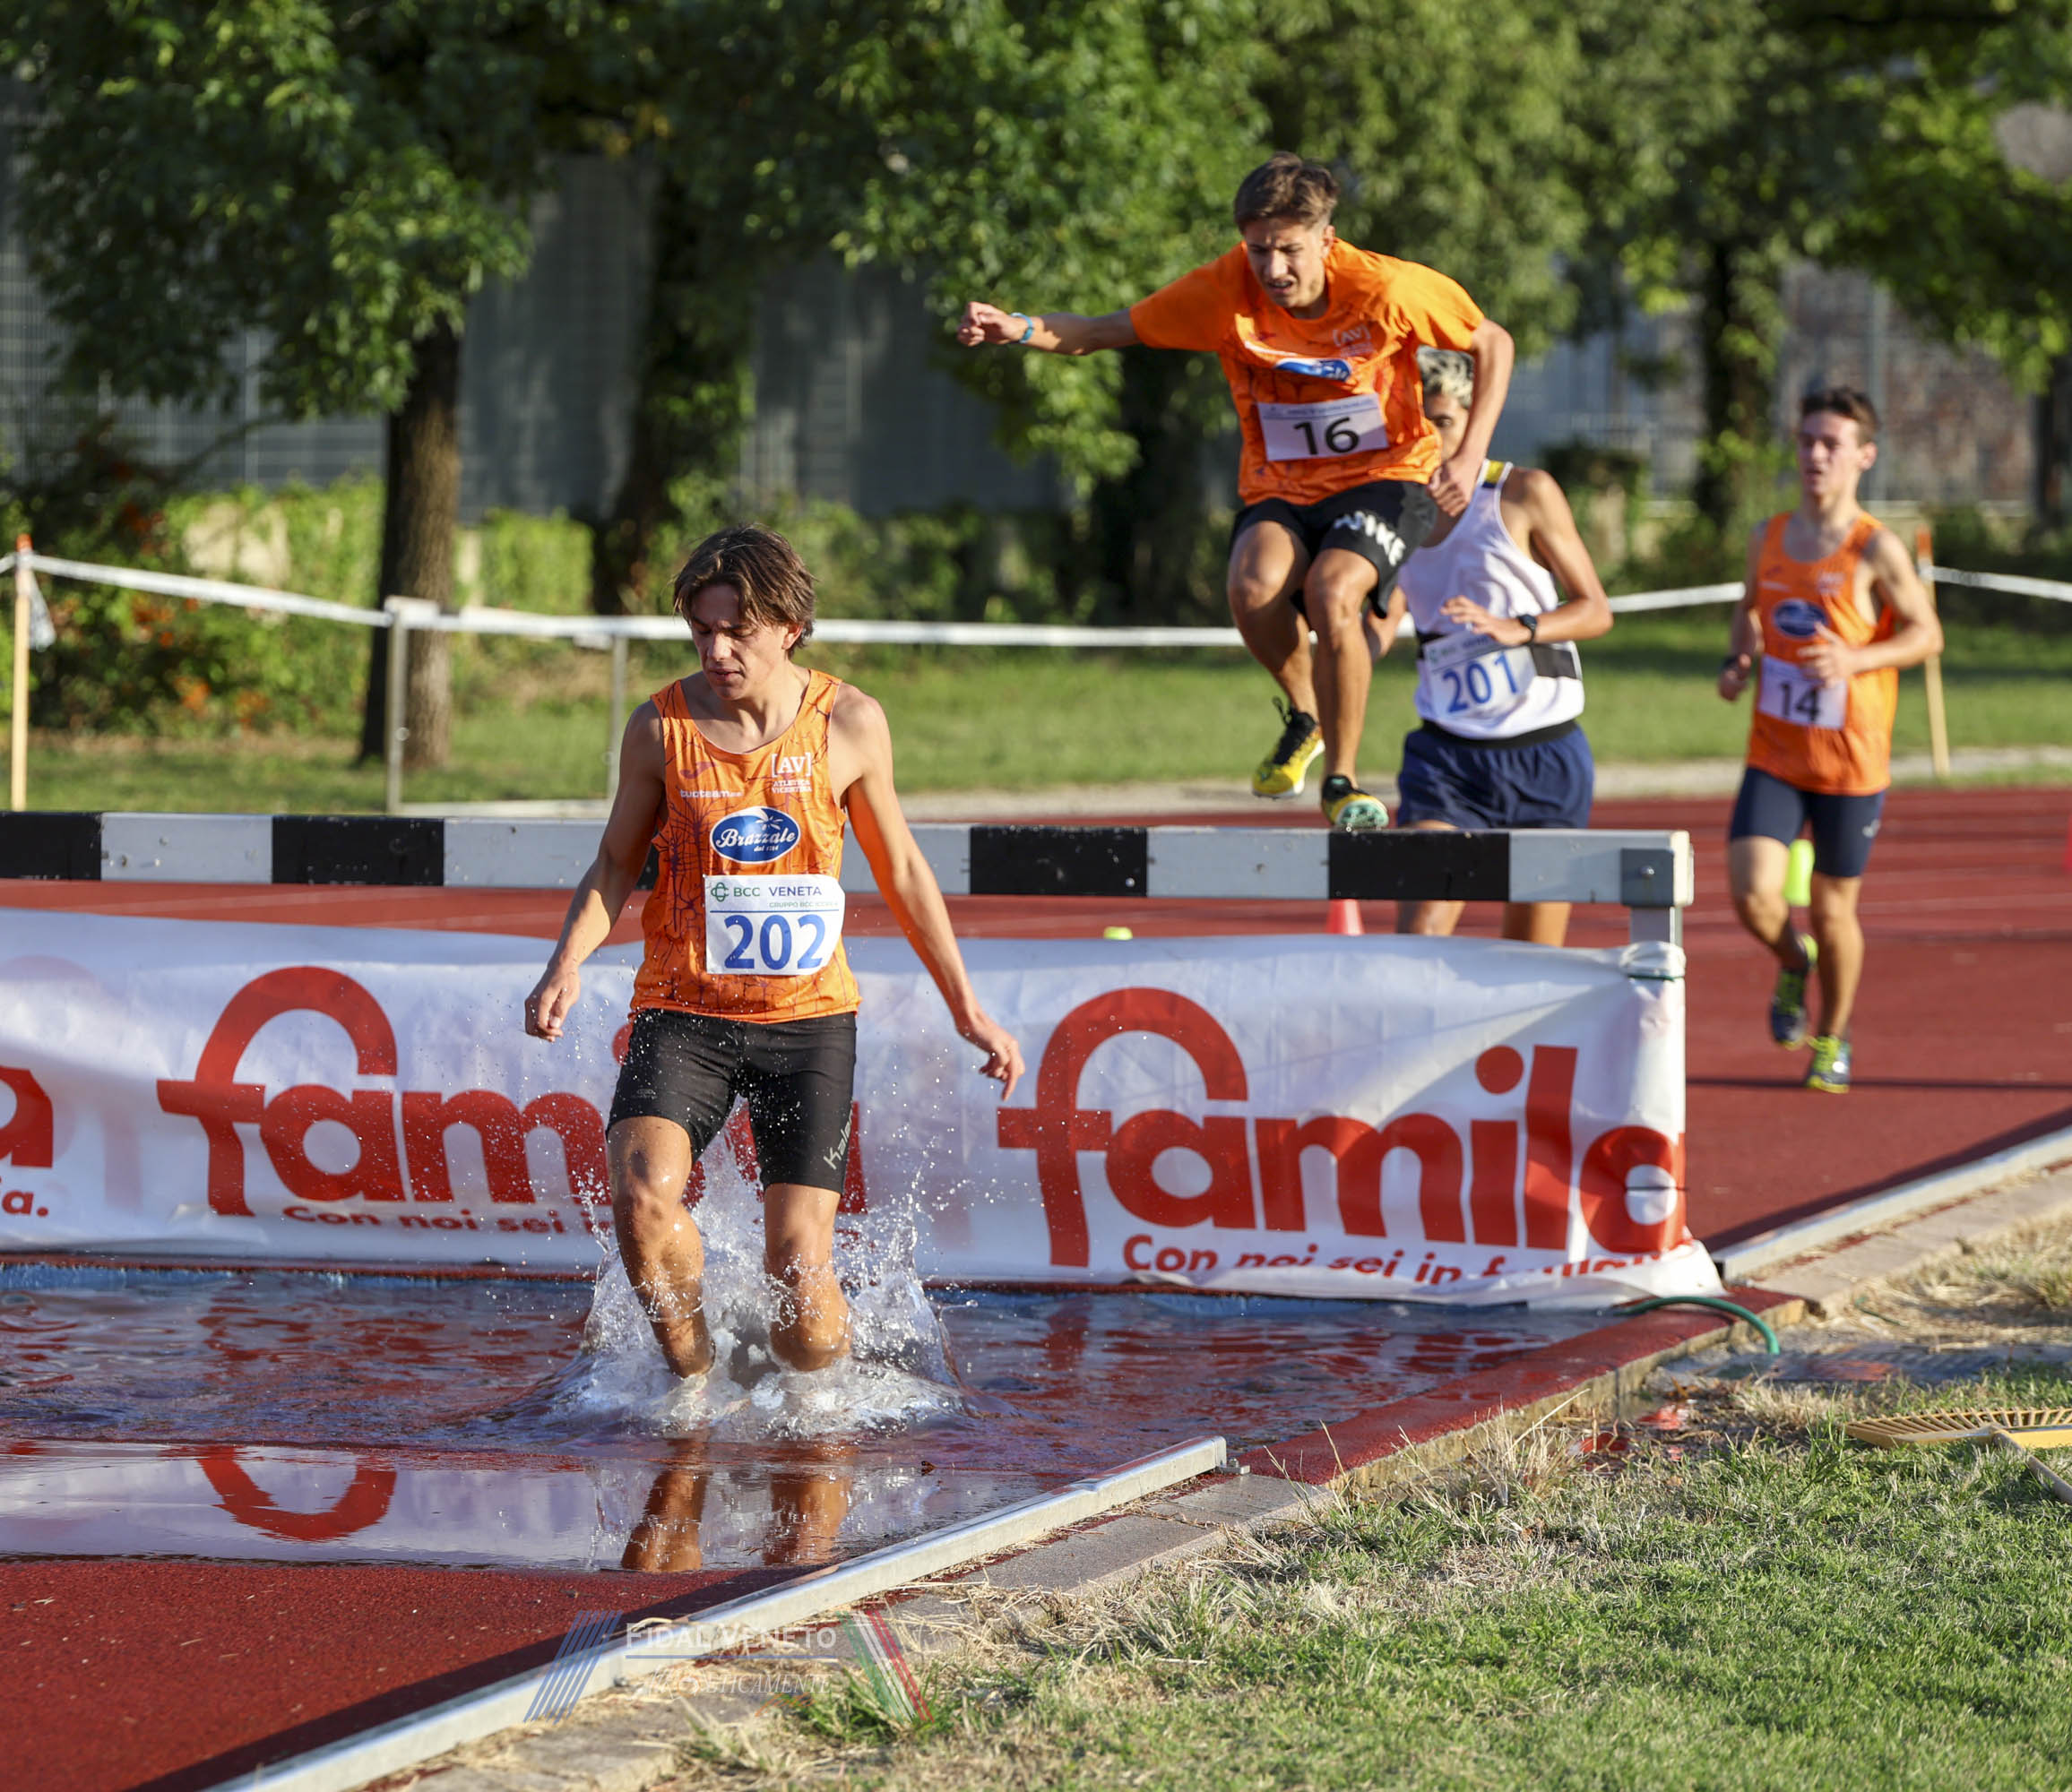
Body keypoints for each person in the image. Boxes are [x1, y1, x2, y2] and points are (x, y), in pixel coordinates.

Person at [523, 524, 1025, 1391]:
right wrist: (564, 962)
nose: (716, 651)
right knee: (641, 1203)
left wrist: (968, 1009)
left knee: (801, 1286)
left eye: (737, 632)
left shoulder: (850, 722)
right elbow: (613, 863)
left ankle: (827, 1393)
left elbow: (905, 872)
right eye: (701, 631)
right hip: (683, 1013)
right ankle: (692, 1386)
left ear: (790, 627)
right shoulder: (660, 729)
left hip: (808, 1025)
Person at [955, 152, 1516, 831]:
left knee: (1333, 591)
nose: (1273, 269)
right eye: (1258, 250)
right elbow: (1103, 331)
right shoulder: (1223, 291)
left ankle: (1341, 780)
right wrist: (1017, 327)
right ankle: (1307, 714)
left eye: (1290, 251)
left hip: (1387, 474)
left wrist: (1472, 453)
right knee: (1252, 588)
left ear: (1327, 240)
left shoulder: (1387, 288)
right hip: (1282, 482)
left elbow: (1493, 342)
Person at [1717, 387, 1942, 1095]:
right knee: (1752, 895)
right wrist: (1739, 659)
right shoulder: (1769, 534)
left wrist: (1854, 659)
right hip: (1776, 753)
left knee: (1833, 909)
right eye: (1807, 440)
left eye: (1831, 444)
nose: (1815, 455)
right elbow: (1749, 609)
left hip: (1851, 762)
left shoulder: (1875, 546)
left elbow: (1927, 634)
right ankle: (1794, 961)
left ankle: (1833, 1037)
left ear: (1863, 457)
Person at [1365, 349, 1614, 943]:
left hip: (1544, 754)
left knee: (1531, 959)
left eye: (1444, 421)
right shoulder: (1393, 511)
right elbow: (1379, 624)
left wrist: (1519, 628)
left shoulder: (1523, 493)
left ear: (1476, 419)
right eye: (1416, 422)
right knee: (1419, 937)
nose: (1429, 438)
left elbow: (1595, 610)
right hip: (1446, 759)